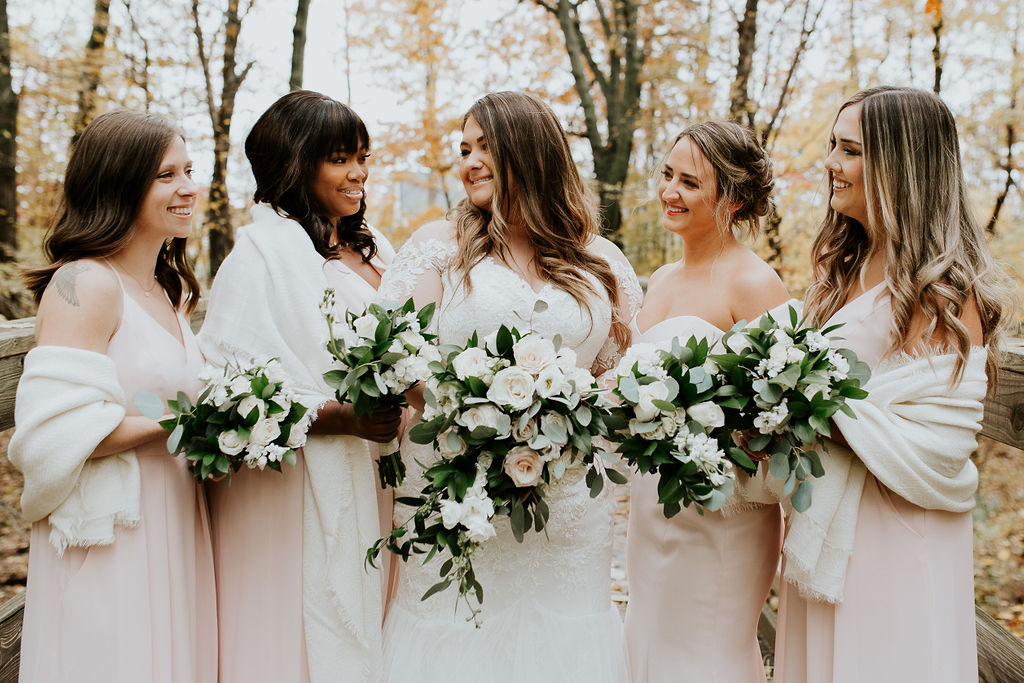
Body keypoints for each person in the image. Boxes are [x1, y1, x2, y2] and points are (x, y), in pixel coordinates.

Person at [375, 91, 643, 682]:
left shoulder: (597, 261)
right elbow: (395, 354)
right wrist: (474, 417)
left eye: (484, 147)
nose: (469, 161)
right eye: (463, 149)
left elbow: (616, 372)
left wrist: (571, 421)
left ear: (529, 151)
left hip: (567, 504)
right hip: (458, 491)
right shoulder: (438, 248)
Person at [773, 86, 1012, 682]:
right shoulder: (845, 270)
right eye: (833, 145)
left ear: (899, 167)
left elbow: (935, 443)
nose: (830, 162)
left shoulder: (942, 291)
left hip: (895, 536)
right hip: (831, 530)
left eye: (849, 150)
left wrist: (806, 403)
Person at [197, 90, 400, 683]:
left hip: (377, 470)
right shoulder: (260, 257)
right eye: (340, 158)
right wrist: (335, 416)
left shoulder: (374, 247)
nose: (359, 172)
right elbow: (226, 393)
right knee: (302, 635)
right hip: (300, 487)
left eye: (363, 156)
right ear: (296, 163)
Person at [10, 110, 216, 682]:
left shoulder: (166, 291)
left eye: (189, 170)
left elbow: (142, 399)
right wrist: (193, 423)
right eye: (165, 175)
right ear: (119, 183)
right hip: (115, 529)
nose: (187, 189)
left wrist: (210, 432)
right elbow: (59, 430)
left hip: (172, 512)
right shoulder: (85, 283)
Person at [623, 120, 789, 682]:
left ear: (734, 198)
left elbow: (783, 416)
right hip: (653, 505)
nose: (670, 191)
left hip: (723, 513)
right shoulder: (662, 279)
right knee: (648, 643)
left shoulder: (756, 284)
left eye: (690, 182)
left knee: (704, 652)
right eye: (667, 174)